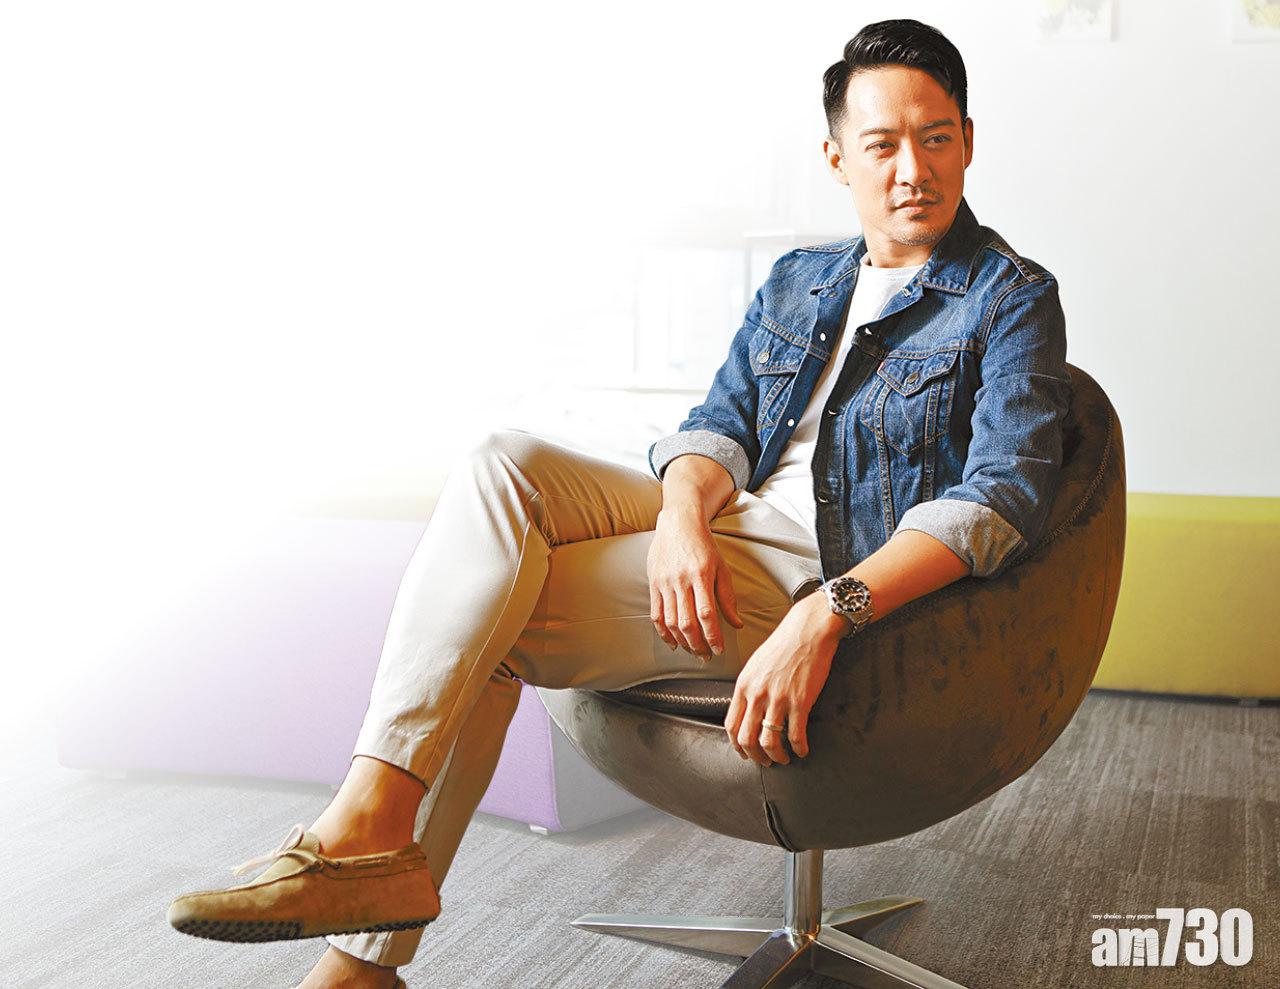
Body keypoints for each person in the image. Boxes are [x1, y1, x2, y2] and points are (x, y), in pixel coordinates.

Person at [167, 18, 1071, 989]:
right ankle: (368, 828)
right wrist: (680, 520)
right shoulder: (800, 278)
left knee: (490, 615)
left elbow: (1000, 497)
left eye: (935, 138)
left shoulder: (1008, 296)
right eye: (882, 144)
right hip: (722, 527)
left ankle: (360, 936)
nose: (911, 170)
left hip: (820, 572)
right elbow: (717, 425)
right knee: (501, 462)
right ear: (836, 157)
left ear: (966, 142)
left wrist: (826, 611)